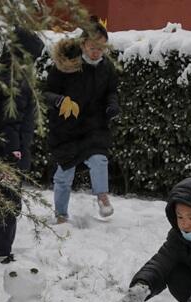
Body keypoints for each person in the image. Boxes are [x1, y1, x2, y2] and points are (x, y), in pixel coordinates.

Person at [44, 16, 120, 224]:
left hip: (94, 126)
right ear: (83, 44)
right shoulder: (68, 64)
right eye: (93, 46)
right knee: (64, 175)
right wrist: (60, 101)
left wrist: (112, 105)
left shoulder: (107, 68)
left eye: (101, 48)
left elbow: (111, 91)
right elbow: (45, 93)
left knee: (99, 159)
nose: (97, 52)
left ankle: (102, 196)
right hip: (66, 129)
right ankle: (61, 214)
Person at [0, 27, 44, 264]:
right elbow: (11, 121)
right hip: (8, 154)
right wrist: (14, 155)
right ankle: (2, 251)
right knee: (8, 201)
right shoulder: (18, 83)